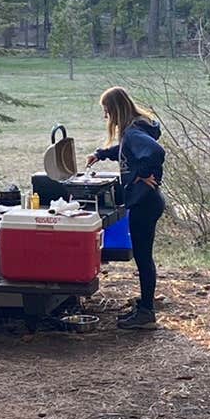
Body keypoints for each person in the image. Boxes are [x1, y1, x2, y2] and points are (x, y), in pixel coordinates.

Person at [86, 85, 166, 329]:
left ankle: (146, 313)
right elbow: (125, 151)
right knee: (143, 257)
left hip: (144, 202)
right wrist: (101, 153)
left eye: (107, 111)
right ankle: (145, 305)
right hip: (148, 201)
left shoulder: (132, 132)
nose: (105, 117)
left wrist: (138, 176)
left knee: (143, 258)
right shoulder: (137, 128)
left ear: (116, 110)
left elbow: (155, 151)